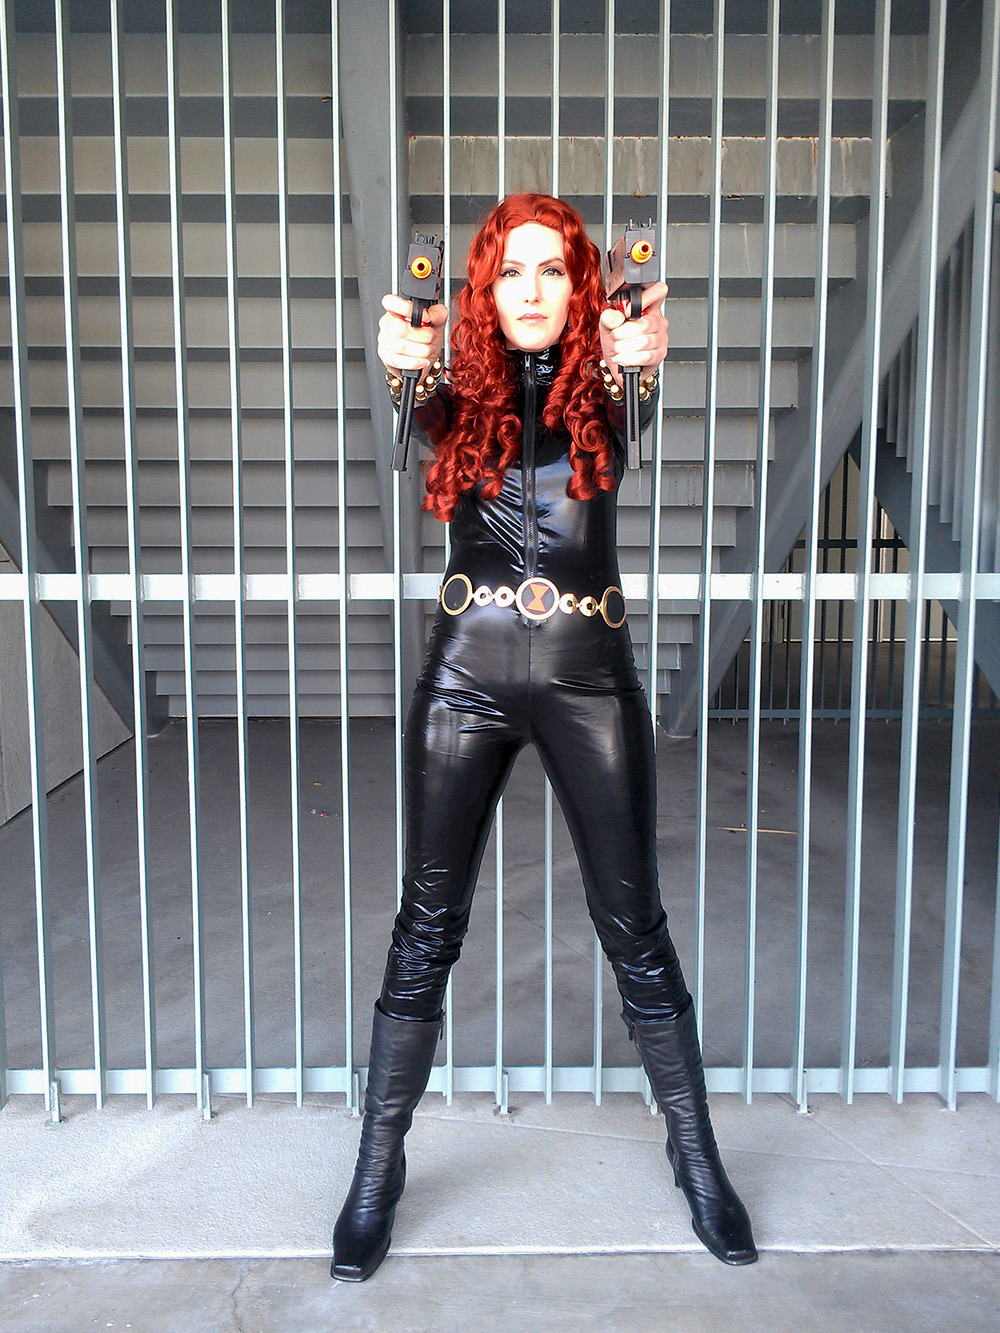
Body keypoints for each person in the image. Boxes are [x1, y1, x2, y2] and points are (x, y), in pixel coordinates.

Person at [331, 194, 757, 1281]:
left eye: (552, 270)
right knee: (425, 928)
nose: (530, 288)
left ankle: (698, 1158)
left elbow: (638, 379)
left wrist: (642, 348)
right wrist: (398, 355)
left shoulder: (608, 383)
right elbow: (407, 393)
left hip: (588, 679)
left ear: (581, 287)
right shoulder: (452, 389)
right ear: (483, 286)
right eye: (510, 270)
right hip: (464, 677)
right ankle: (376, 1170)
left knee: (636, 928)